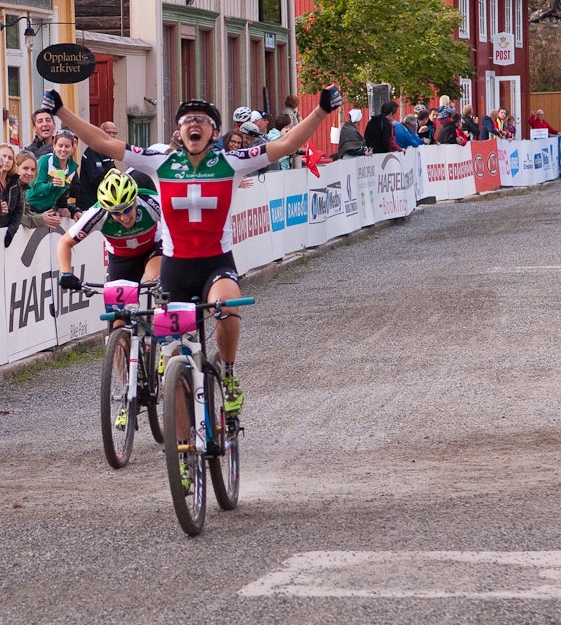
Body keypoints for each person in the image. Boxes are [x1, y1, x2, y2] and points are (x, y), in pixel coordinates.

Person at [40, 84, 343, 417]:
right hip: (176, 269)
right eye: (187, 120)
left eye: (201, 120)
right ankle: (180, 441)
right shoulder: (160, 161)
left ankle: (228, 374)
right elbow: (102, 142)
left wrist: (321, 110)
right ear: (179, 131)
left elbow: (286, 144)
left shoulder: (232, 161)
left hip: (216, 263)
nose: (193, 124)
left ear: (213, 131)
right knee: (175, 366)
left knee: (226, 309)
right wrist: (61, 112)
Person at [57, 171, 162, 302]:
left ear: (134, 200)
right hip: (121, 258)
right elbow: (65, 242)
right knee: (117, 310)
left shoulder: (151, 202)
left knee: (156, 283)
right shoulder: (98, 214)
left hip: (152, 248)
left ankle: (161, 309)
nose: (124, 217)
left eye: (127, 209)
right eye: (116, 213)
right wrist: (66, 273)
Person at [26, 129, 80, 223]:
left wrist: (63, 208)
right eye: (60, 146)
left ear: (72, 149)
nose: (63, 149)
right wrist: (52, 185)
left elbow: (59, 195)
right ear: (54, 146)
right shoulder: (45, 161)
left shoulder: (71, 169)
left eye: (67, 146)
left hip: (48, 211)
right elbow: (36, 189)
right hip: (30, 208)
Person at [71, 121, 118, 215]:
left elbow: (113, 172)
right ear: (100, 133)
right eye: (108, 132)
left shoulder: (108, 151)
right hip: (89, 205)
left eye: (114, 133)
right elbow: (96, 178)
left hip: (102, 203)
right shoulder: (93, 150)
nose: (112, 135)